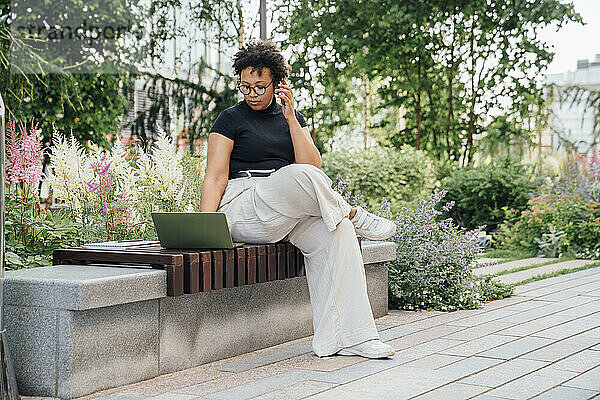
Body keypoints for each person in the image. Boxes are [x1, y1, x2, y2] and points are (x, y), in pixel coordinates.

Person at [200, 40, 396, 359]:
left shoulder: (292, 116)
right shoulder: (229, 119)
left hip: (286, 212)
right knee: (299, 176)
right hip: (244, 205)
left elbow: (312, 163)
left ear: (278, 84)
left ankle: (352, 338)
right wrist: (206, 228)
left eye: (260, 87)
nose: (251, 93)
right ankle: (353, 214)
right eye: (245, 86)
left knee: (338, 233)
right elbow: (215, 176)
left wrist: (291, 118)